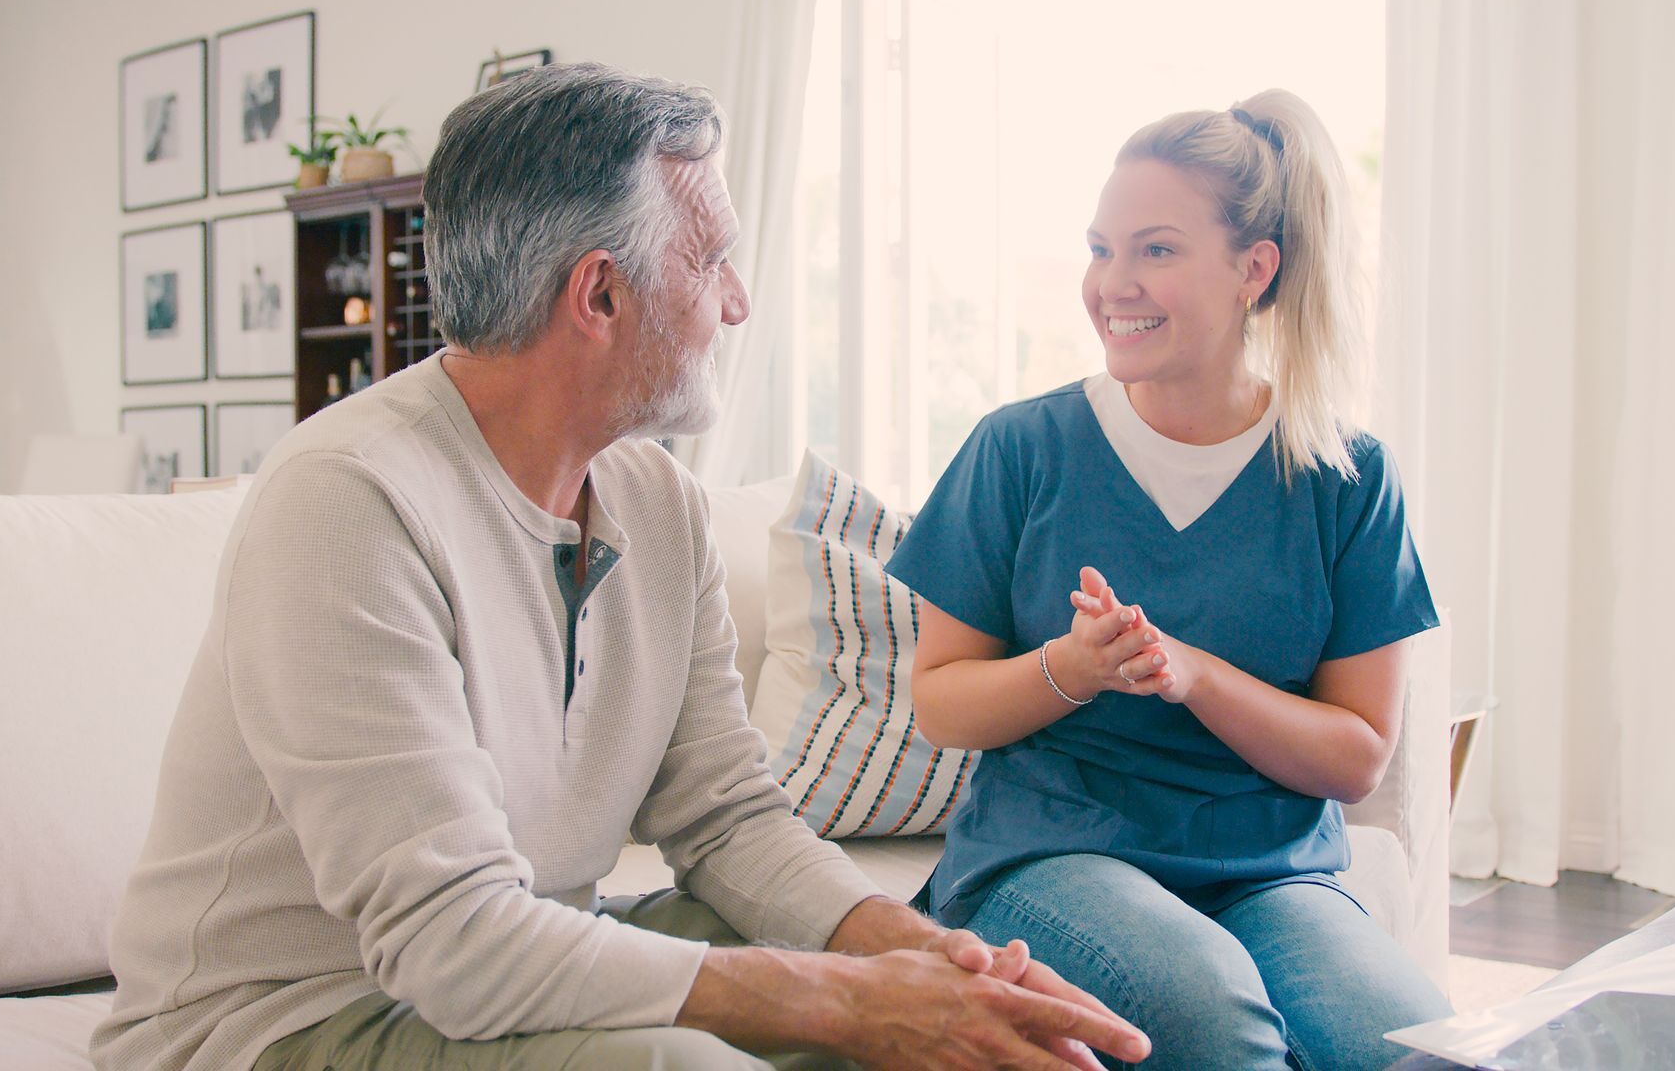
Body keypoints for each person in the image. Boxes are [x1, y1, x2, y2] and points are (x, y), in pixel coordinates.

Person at [91, 63, 1149, 1071]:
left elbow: (728, 817)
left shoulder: (658, 504)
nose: (736, 303)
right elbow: (452, 944)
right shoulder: (348, 499)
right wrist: (850, 1003)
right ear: (599, 296)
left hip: (524, 949)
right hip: (288, 1018)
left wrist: (919, 959)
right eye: (710, 260)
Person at [886, 90, 1453, 1070]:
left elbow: (1358, 756)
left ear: (1253, 270)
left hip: (1273, 876)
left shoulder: (1346, 479)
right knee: (1210, 1017)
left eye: (1154, 250)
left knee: (1411, 1049)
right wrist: (1069, 668)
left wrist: (1192, 674)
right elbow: (940, 705)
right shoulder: (1020, 450)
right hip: (1050, 859)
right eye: (1101, 248)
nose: (1113, 282)